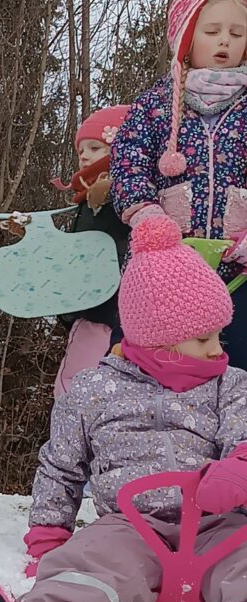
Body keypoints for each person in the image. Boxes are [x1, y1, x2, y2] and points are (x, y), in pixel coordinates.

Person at [0, 216, 247, 602]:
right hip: (131, 527)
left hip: (217, 525)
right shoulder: (95, 390)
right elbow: (61, 467)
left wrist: (235, 473)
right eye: (203, 339)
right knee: (89, 567)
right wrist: (48, 536)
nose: (217, 349)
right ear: (158, 339)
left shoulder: (231, 386)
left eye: (219, 336)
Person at [111, 0, 247, 368]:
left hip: (238, 272)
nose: (225, 40)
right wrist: (146, 214)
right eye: (212, 31)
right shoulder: (154, 105)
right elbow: (128, 160)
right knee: (153, 364)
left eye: (237, 33)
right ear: (187, 39)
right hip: (164, 267)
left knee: (237, 364)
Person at [51, 105, 131, 396]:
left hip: (113, 312)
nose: (84, 155)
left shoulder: (127, 191)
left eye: (95, 148)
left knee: (87, 388)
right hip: (88, 309)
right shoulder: (86, 195)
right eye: (81, 149)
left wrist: (112, 193)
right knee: (73, 386)